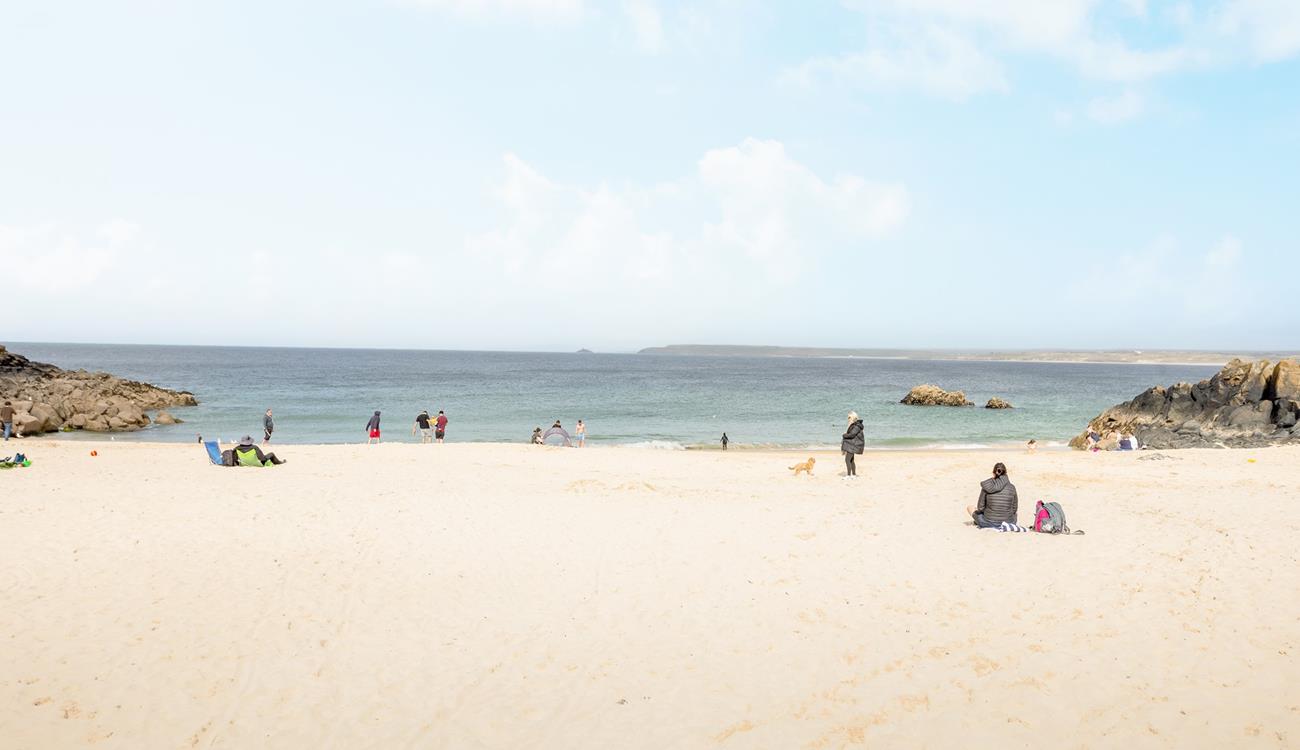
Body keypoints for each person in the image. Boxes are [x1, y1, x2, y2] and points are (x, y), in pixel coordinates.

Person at [967, 462, 1018, 528]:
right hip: (1008, 523)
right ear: (1005, 473)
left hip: (988, 522)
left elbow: (980, 508)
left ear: (993, 473)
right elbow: (1014, 509)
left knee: (970, 508)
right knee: (1015, 514)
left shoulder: (987, 486)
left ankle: (979, 522)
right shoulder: (1012, 487)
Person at [841, 411, 865, 478]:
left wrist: (844, 435)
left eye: (849, 417)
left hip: (853, 445)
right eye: (848, 417)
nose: (848, 419)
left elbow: (852, 435)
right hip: (853, 444)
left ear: (853, 418)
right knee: (851, 460)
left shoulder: (856, 426)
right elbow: (852, 435)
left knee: (847, 460)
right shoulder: (855, 425)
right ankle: (854, 475)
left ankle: (849, 475)